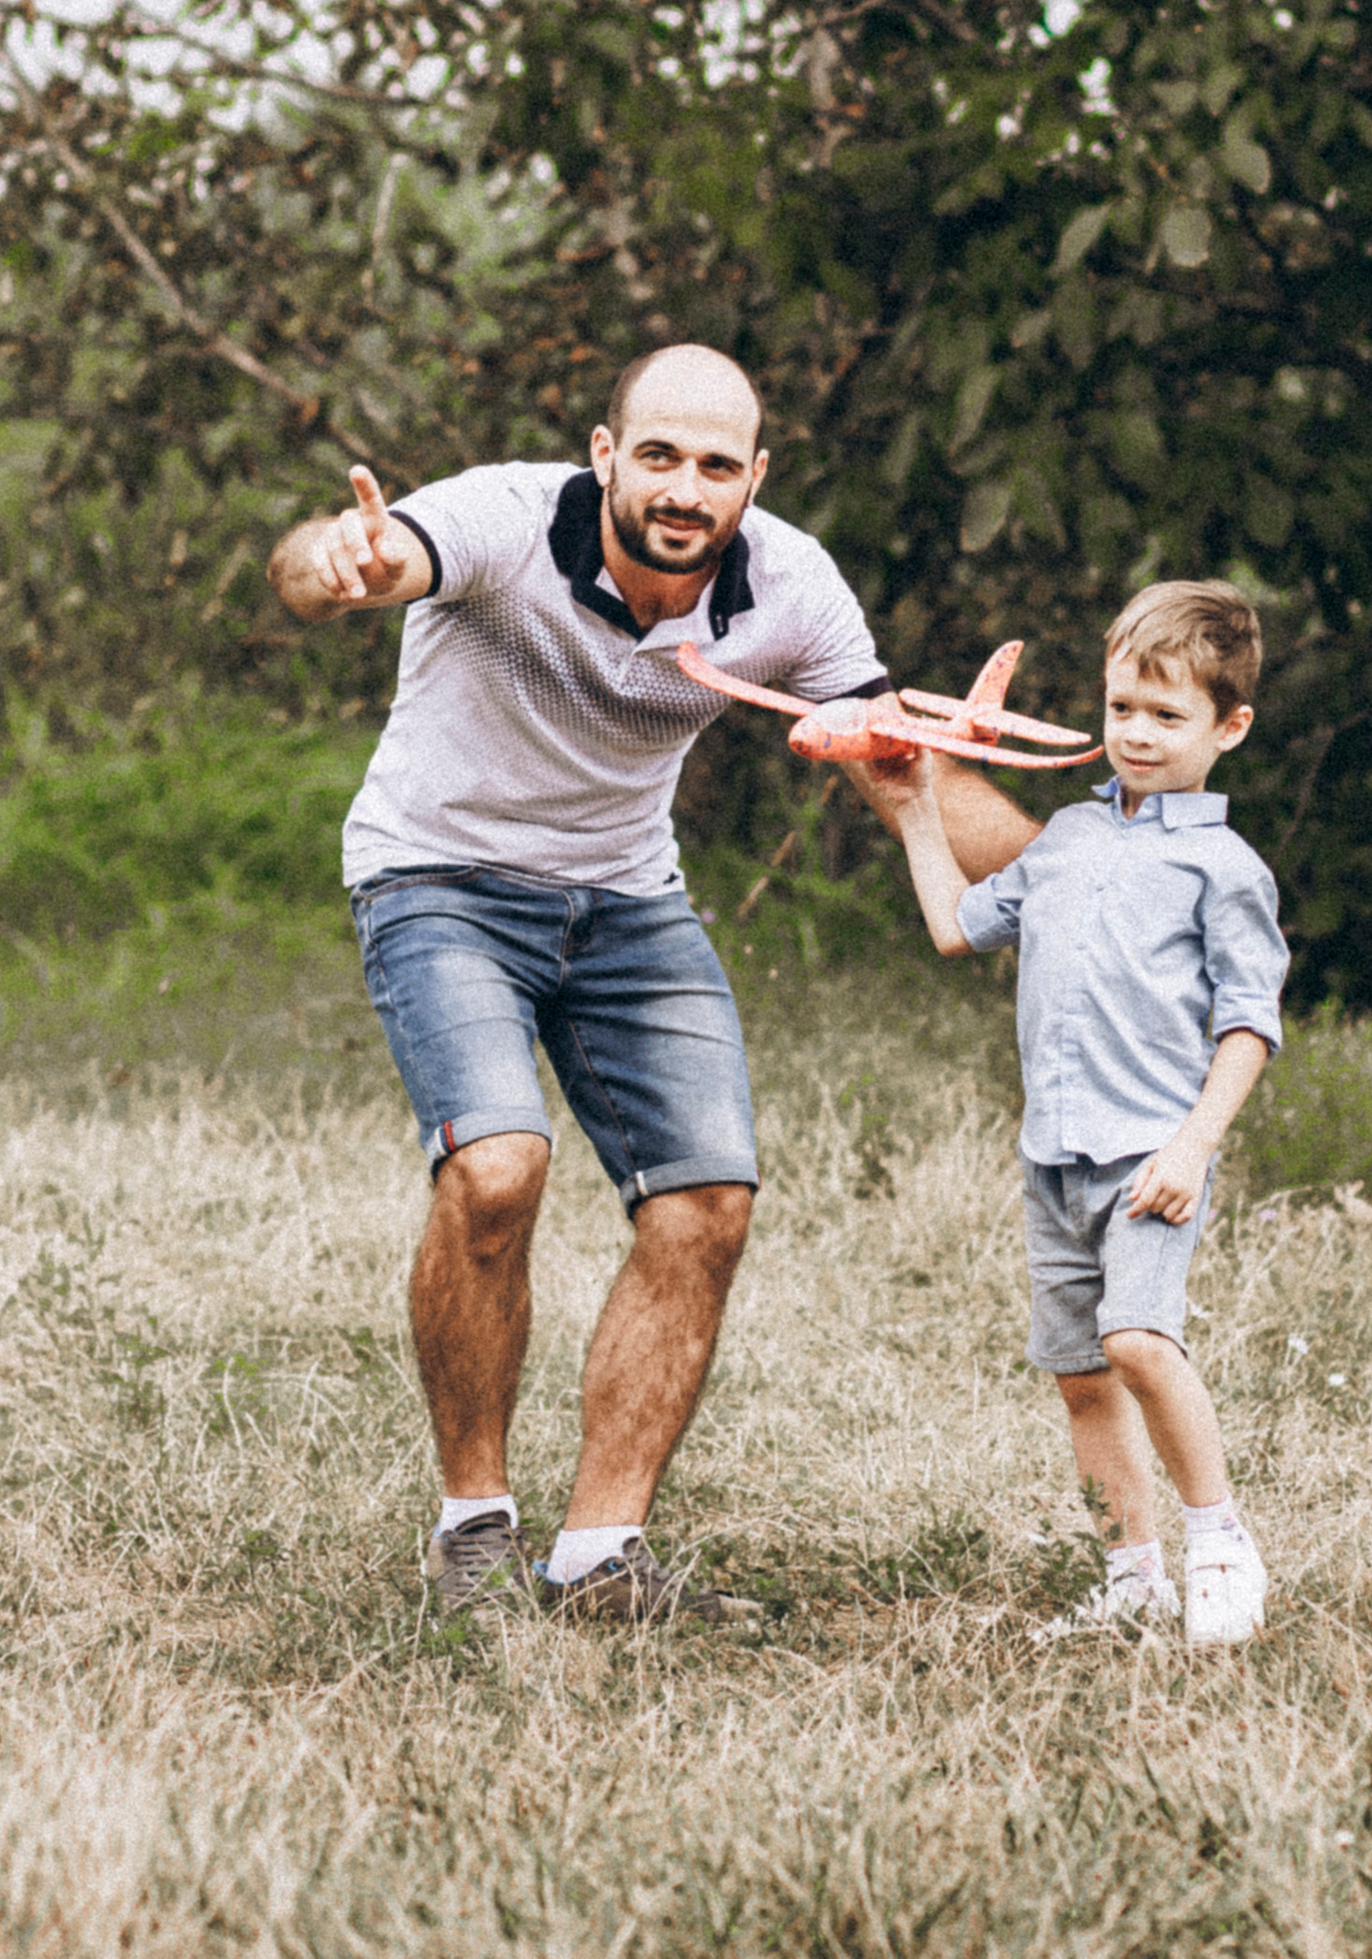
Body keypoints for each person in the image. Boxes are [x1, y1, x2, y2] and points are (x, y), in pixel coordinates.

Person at [266, 342, 1036, 1625]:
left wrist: (1092, 877)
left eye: (718, 466)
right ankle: (473, 1531)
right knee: (495, 1173)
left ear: (755, 478)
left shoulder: (788, 584)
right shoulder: (506, 521)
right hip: (439, 876)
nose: (687, 488)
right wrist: (332, 567)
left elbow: (906, 768)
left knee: (707, 1207)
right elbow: (345, 561)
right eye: (661, 456)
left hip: (626, 901)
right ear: (606, 455)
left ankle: (599, 1561)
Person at [884, 577, 1287, 1647]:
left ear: (1228, 726)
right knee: (1079, 1375)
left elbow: (1248, 1025)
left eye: (1167, 715)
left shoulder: (1223, 868)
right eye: (1121, 710)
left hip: (1148, 1157)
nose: (1137, 735)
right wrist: (918, 806)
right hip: (1052, 1157)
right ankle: (1132, 1574)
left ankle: (1221, 1547)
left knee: (1140, 1341)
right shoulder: (1063, 836)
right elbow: (956, 930)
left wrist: (1192, 1150)